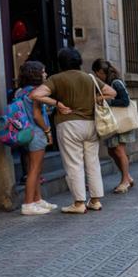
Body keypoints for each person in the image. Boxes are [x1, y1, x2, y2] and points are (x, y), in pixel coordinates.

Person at [32, 47, 115, 214]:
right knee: (93, 163)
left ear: (61, 63)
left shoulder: (56, 79)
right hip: (91, 124)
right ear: (79, 62)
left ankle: (79, 203)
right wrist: (95, 99)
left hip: (68, 124)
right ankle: (96, 200)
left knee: (73, 164)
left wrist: (57, 104)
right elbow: (112, 92)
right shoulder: (90, 78)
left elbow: (35, 94)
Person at [13, 61, 57, 216]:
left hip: (24, 133)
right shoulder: (37, 91)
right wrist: (48, 130)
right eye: (43, 71)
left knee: (32, 168)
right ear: (36, 74)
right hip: (37, 132)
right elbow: (37, 115)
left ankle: (37, 200)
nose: (45, 74)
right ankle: (28, 203)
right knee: (35, 169)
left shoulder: (20, 92)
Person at [92, 59, 135, 193]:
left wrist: (106, 101)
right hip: (113, 122)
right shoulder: (108, 83)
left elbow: (125, 101)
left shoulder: (116, 82)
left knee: (119, 151)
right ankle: (127, 177)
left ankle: (125, 181)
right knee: (112, 150)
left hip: (119, 122)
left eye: (95, 73)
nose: (95, 75)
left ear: (100, 71)